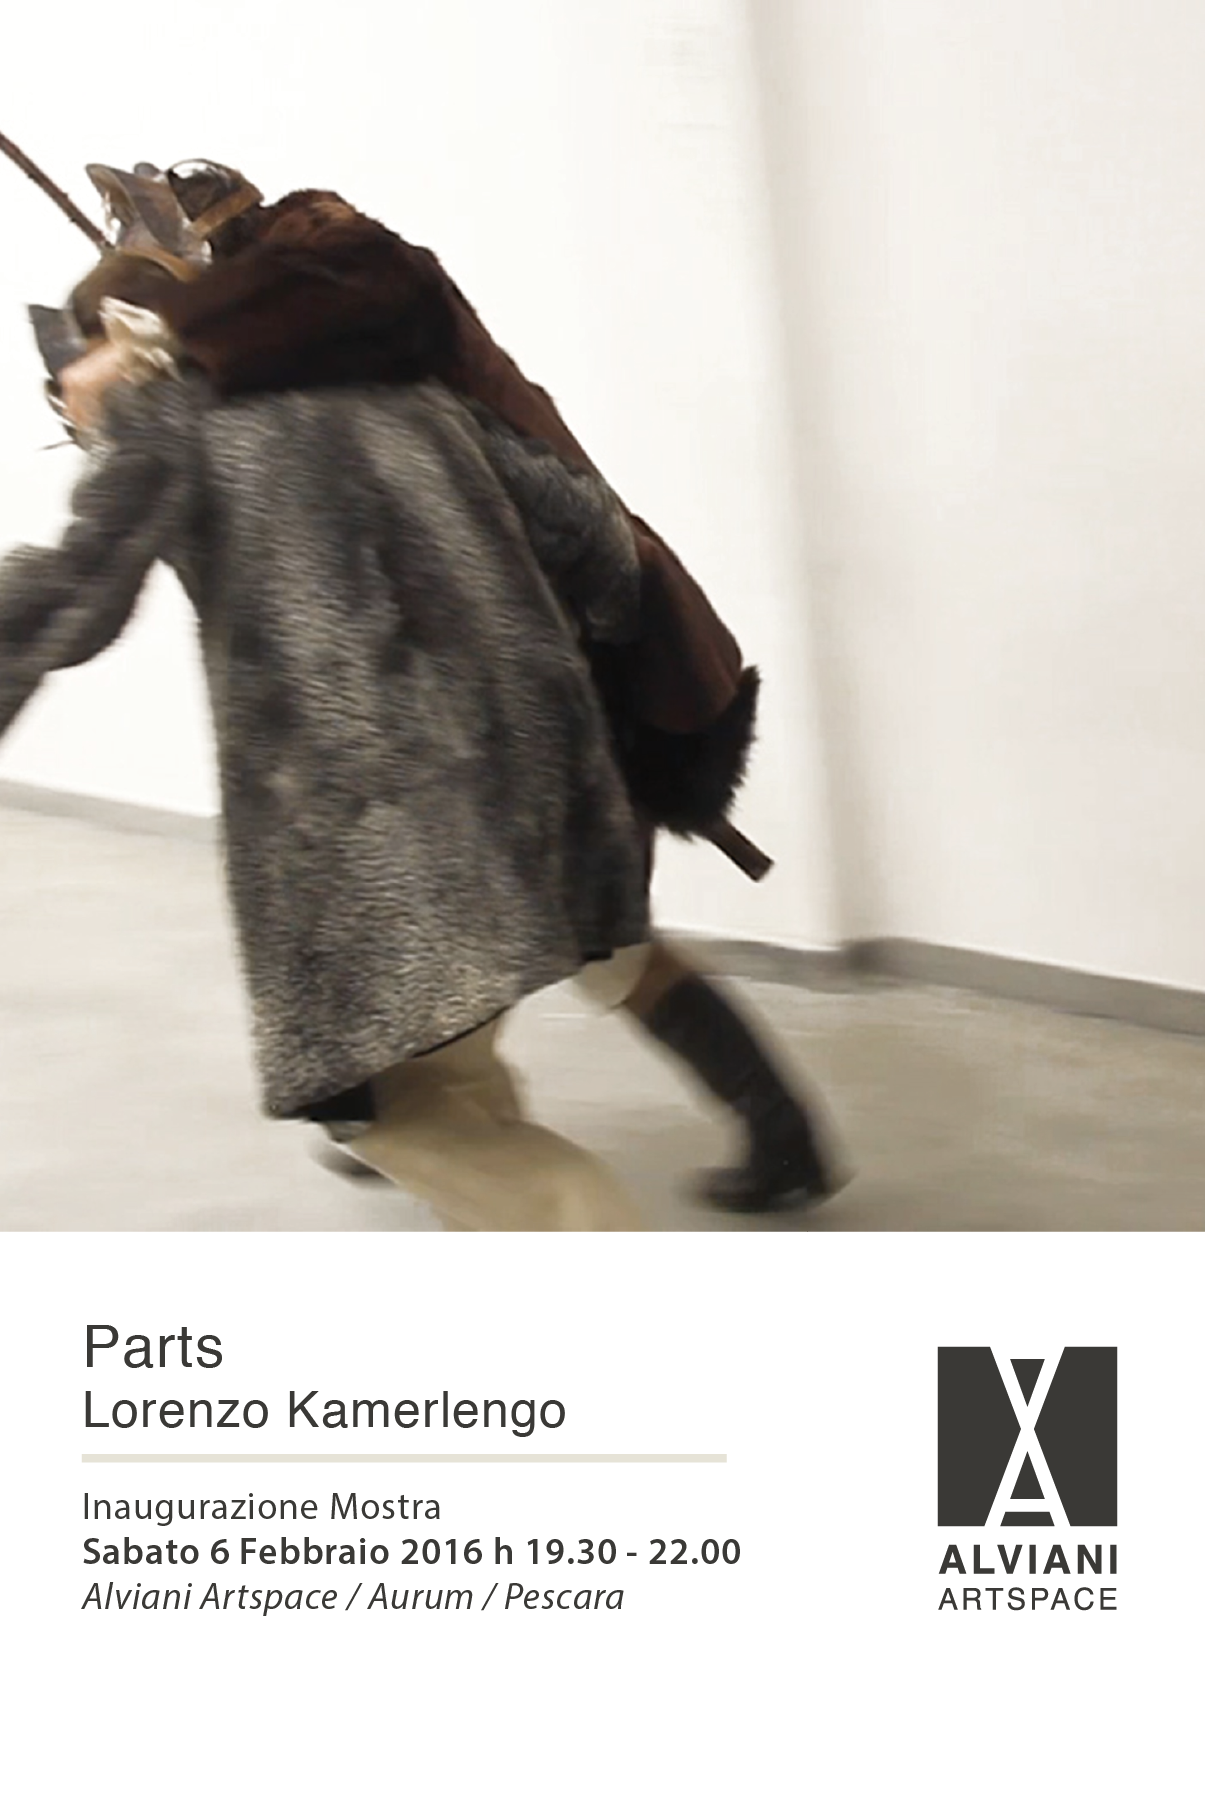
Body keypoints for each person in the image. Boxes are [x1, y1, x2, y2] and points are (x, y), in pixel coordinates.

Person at [61, 160, 849, 1210]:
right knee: (592, 940)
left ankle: (454, 1134)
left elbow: (72, 593)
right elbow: (589, 536)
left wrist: (137, 379)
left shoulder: (301, 317)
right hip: (543, 706)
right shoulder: (367, 365)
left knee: (498, 977)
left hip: (444, 756)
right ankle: (774, 1131)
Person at [4, 291, 662, 1232]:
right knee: (454, 1072)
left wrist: (112, 431)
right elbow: (591, 533)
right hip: (540, 790)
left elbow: (72, 596)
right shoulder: (398, 384)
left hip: (383, 831)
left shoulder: (169, 417)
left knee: (387, 1110)